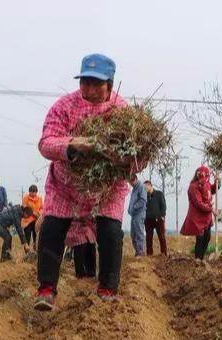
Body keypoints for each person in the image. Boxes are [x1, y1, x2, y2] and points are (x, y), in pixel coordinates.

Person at [34, 53, 144, 311]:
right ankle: (46, 290)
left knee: (110, 233)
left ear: (110, 83)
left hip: (107, 187)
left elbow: (138, 156)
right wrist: (72, 144)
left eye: (97, 84)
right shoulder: (64, 107)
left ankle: (107, 290)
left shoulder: (122, 112)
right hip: (66, 185)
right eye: (85, 82)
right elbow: (45, 142)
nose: (90, 89)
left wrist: (124, 158)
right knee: (52, 229)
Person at [180, 166, 219, 261]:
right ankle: (198, 258)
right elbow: (198, 203)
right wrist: (212, 210)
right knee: (200, 238)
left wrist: (218, 182)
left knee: (207, 237)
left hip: (206, 217)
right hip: (197, 217)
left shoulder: (206, 184)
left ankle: (201, 258)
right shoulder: (193, 187)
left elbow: (212, 189)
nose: (205, 178)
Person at [144, 181, 167, 256]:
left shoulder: (159, 194)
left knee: (161, 236)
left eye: (146, 187)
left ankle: (164, 252)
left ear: (150, 186)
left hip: (158, 219)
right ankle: (149, 253)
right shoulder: (145, 196)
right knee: (148, 237)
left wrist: (162, 216)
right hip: (148, 220)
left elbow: (163, 206)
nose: (145, 189)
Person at [128, 175, 147, 257]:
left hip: (139, 214)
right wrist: (130, 209)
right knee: (133, 234)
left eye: (131, 182)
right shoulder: (134, 188)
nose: (130, 184)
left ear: (135, 179)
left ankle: (141, 252)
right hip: (133, 215)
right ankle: (137, 251)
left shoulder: (141, 187)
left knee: (139, 233)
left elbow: (143, 200)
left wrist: (134, 207)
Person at [22, 184, 43, 249]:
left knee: (36, 237)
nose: (33, 193)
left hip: (36, 221)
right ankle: (27, 252)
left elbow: (42, 208)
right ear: (29, 192)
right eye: (31, 192)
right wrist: (34, 213)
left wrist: (39, 213)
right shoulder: (25, 198)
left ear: (36, 192)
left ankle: (35, 250)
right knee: (27, 237)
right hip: (27, 221)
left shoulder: (40, 199)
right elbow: (25, 207)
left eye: (34, 192)